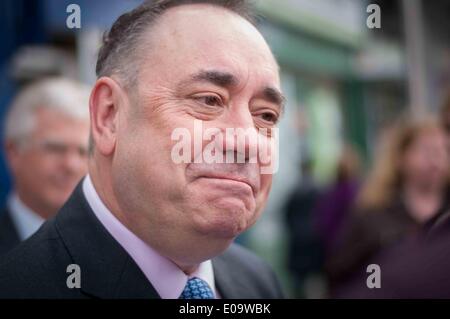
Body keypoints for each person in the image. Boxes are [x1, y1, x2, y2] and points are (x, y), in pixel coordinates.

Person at [0, 0, 285, 299]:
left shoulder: (258, 282)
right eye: (208, 100)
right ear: (109, 115)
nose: (247, 141)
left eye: (266, 115)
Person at [326, 117, 450, 292]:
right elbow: (341, 275)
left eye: (443, 151)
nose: (436, 160)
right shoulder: (373, 216)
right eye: (427, 150)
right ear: (401, 157)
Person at [0, 78, 90, 256]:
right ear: (14, 152)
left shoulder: (115, 251)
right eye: (55, 149)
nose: (71, 165)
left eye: (83, 152)